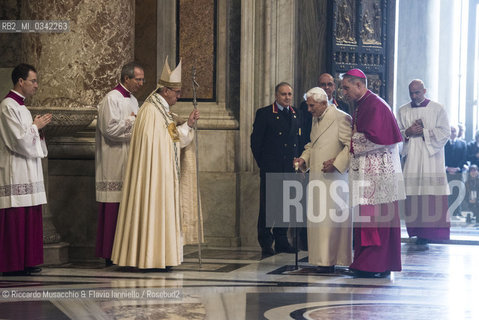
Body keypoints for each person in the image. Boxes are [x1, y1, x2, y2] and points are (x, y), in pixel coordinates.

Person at [111, 58, 201, 270]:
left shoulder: (160, 110)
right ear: (166, 91)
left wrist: (187, 124)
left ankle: (159, 257)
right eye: (177, 93)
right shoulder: (152, 111)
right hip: (154, 177)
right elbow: (167, 143)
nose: (179, 96)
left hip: (161, 174)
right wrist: (185, 127)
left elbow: (171, 140)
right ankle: (150, 258)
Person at [341, 68, 405, 278]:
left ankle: (375, 265)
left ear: (359, 85)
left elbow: (377, 137)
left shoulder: (375, 105)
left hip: (378, 175)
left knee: (377, 221)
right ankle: (368, 263)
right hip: (368, 175)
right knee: (368, 220)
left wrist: (350, 140)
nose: (344, 92)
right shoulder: (362, 104)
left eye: (346, 87)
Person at [0, 63, 52, 276]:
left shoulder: (22, 107)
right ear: (20, 81)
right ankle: (13, 263)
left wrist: (37, 130)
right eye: (33, 81)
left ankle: (28, 260)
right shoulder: (7, 106)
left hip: (29, 169)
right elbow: (18, 141)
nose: (36, 85)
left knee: (30, 212)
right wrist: (35, 127)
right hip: (16, 169)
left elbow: (29, 138)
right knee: (17, 214)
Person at [294, 87, 352, 273]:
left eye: (312, 106)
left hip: (334, 179)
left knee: (330, 222)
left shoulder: (341, 117)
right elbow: (313, 144)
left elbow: (350, 146)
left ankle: (330, 260)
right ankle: (322, 260)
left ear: (323, 103)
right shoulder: (316, 118)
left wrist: (337, 162)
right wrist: (304, 158)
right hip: (318, 178)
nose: (309, 109)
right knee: (319, 221)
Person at [95, 62, 144, 266]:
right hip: (113, 160)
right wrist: (133, 122)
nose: (142, 83)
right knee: (113, 207)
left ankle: (125, 253)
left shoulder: (133, 100)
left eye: (142, 79)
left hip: (129, 159)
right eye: (138, 79)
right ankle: (109, 253)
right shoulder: (111, 99)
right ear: (126, 79)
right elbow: (110, 130)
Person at [251, 82, 301, 258]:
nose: (287, 97)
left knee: (285, 205)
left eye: (289, 94)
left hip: (289, 168)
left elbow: (297, 142)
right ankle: (266, 242)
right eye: (283, 94)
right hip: (271, 168)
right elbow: (256, 142)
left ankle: (281, 240)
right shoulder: (265, 114)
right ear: (276, 96)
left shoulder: (295, 114)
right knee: (268, 207)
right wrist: (264, 164)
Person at [397, 79, 451, 244]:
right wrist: (408, 131)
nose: (414, 96)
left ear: (424, 91)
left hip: (431, 159)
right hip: (412, 158)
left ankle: (434, 234)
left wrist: (424, 132)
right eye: (411, 93)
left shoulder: (437, 108)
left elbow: (445, 132)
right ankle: (418, 234)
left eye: (417, 92)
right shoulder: (403, 110)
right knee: (413, 197)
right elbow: (396, 134)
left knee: (431, 195)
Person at [299, 73, 349, 152]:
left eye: (329, 84)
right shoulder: (306, 106)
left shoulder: (343, 107)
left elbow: (348, 142)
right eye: (323, 84)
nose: (326, 87)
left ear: (334, 87)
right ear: (318, 86)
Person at [445, 125, 467, 216]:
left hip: (458, 172)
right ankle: (447, 211)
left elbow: (464, 158)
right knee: (447, 192)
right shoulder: (443, 144)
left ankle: (458, 212)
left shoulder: (463, 144)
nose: (453, 133)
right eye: (451, 131)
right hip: (446, 172)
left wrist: (457, 168)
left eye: (454, 131)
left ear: (457, 132)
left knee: (458, 192)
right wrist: (447, 168)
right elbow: (441, 157)